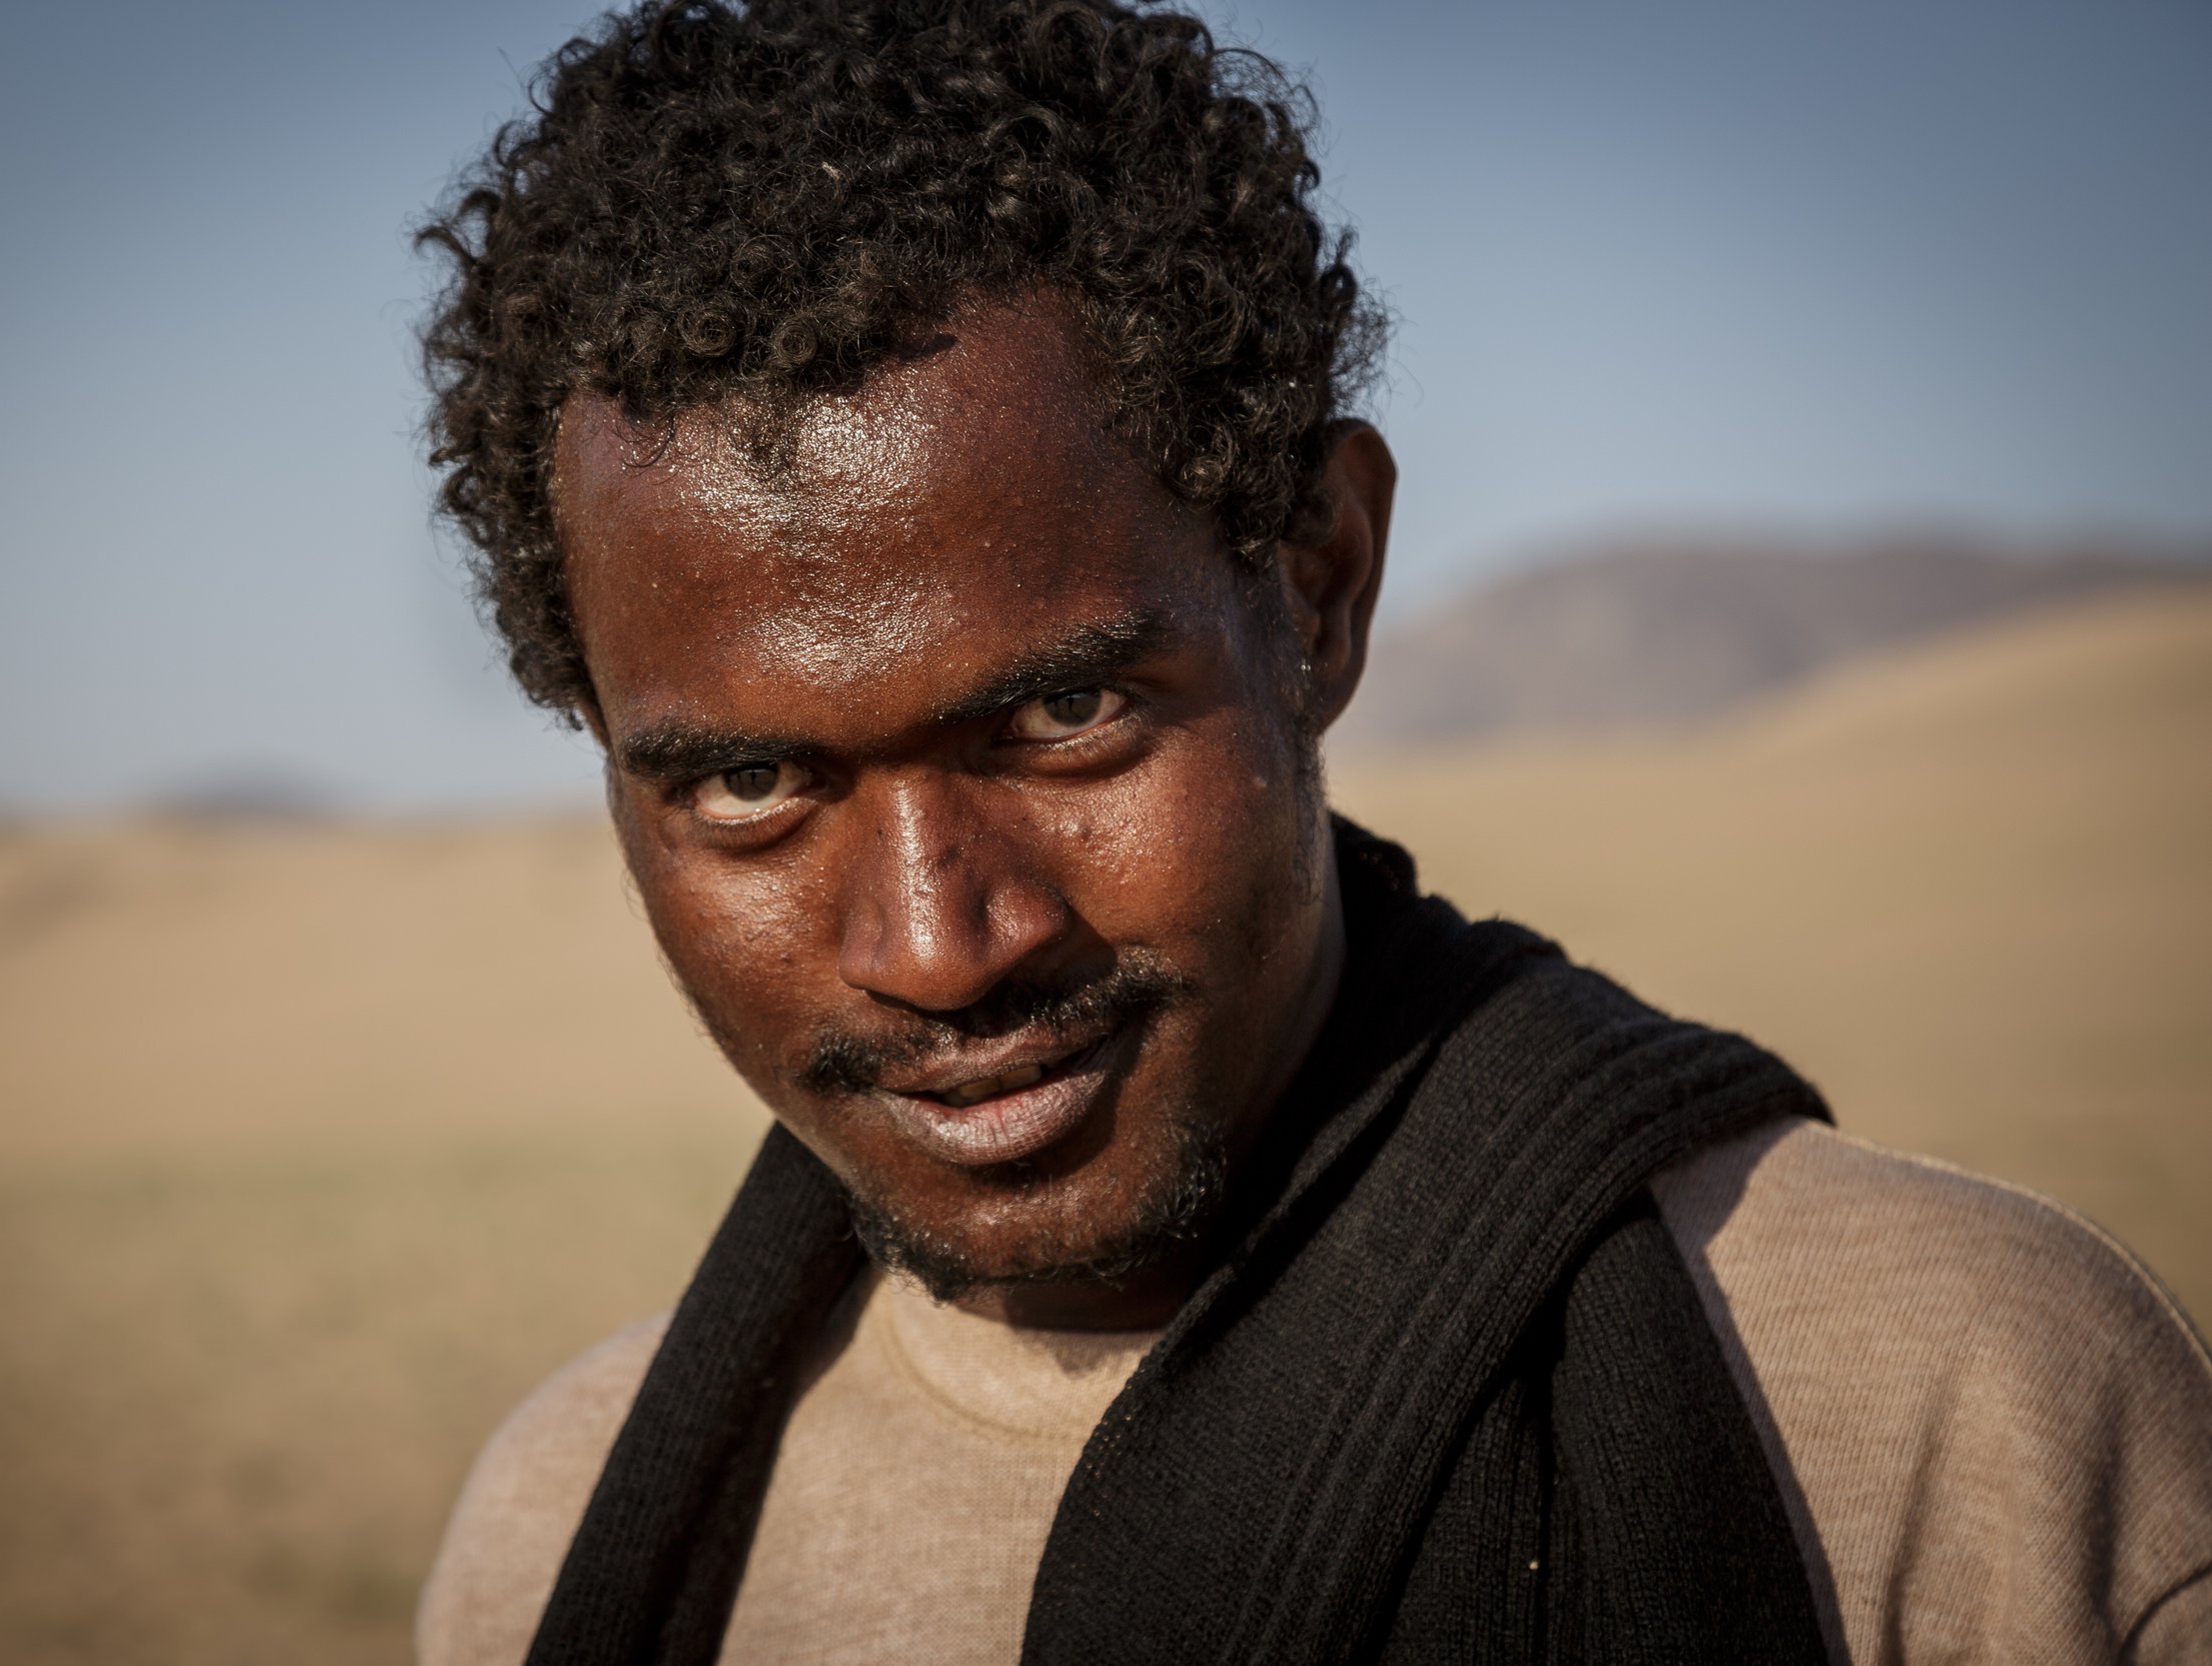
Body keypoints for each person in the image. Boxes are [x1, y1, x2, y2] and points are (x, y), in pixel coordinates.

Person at [407, 1, 2212, 1659]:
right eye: (748, 787)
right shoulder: (562, 1533)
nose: (941, 947)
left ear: (1318, 586)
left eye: (1066, 715)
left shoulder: (1953, 1427)